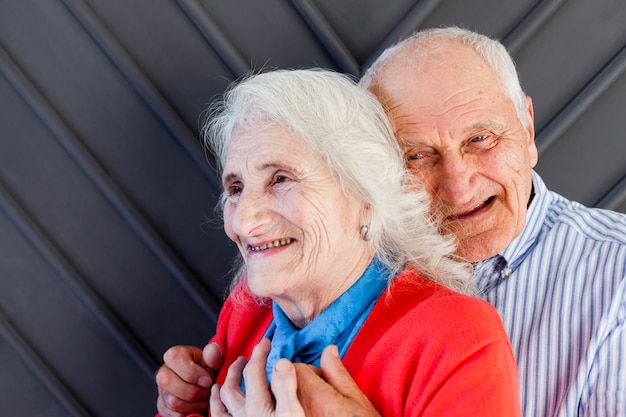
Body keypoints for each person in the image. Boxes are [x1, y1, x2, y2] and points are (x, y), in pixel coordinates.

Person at [156, 27, 626, 417]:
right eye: (417, 155)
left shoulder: (614, 272)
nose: (459, 186)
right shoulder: (262, 297)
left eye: (481, 139)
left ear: (526, 126)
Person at [156, 68, 522, 417]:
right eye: (236, 188)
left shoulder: (455, 337)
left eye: (281, 179)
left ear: (366, 195)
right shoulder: (247, 310)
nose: (244, 220)